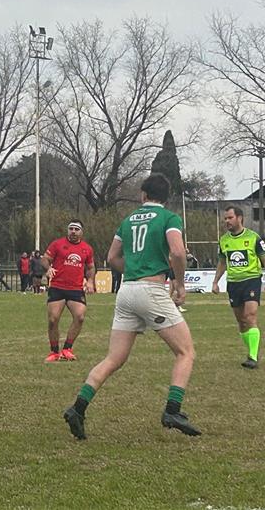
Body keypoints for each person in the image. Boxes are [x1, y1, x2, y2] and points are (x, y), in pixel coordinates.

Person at [62, 173, 199, 440]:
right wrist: (179, 284)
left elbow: (112, 257)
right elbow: (179, 252)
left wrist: (134, 271)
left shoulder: (128, 220)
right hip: (151, 291)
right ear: (165, 197)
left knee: (114, 359)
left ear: (143, 195)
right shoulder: (169, 218)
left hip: (126, 291)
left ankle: (78, 408)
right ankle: (172, 410)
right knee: (186, 352)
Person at [210, 206, 265, 369]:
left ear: (240, 218)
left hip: (251, 280)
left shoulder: (254, 237)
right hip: (233, 283)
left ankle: (253, 357)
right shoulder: (224, 240)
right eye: (225, 218)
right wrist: (215, 282)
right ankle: (250, 351)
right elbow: (222, 263)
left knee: (250, 316)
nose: (226, 221)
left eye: (230, 218)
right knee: (241, 322)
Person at [43, 221, 96, 362]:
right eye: (71, 228)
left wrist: (90, 281)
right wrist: (48, 269)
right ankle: (54, 352)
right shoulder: (57, 244)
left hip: (76, 289)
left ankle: (67, 349)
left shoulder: (87, 248)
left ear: (81, 232)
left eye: (76, 229)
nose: (73, 231)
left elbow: (90, 267)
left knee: (80, 317)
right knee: (53, 319)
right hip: (57, 287)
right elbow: (45, 259)